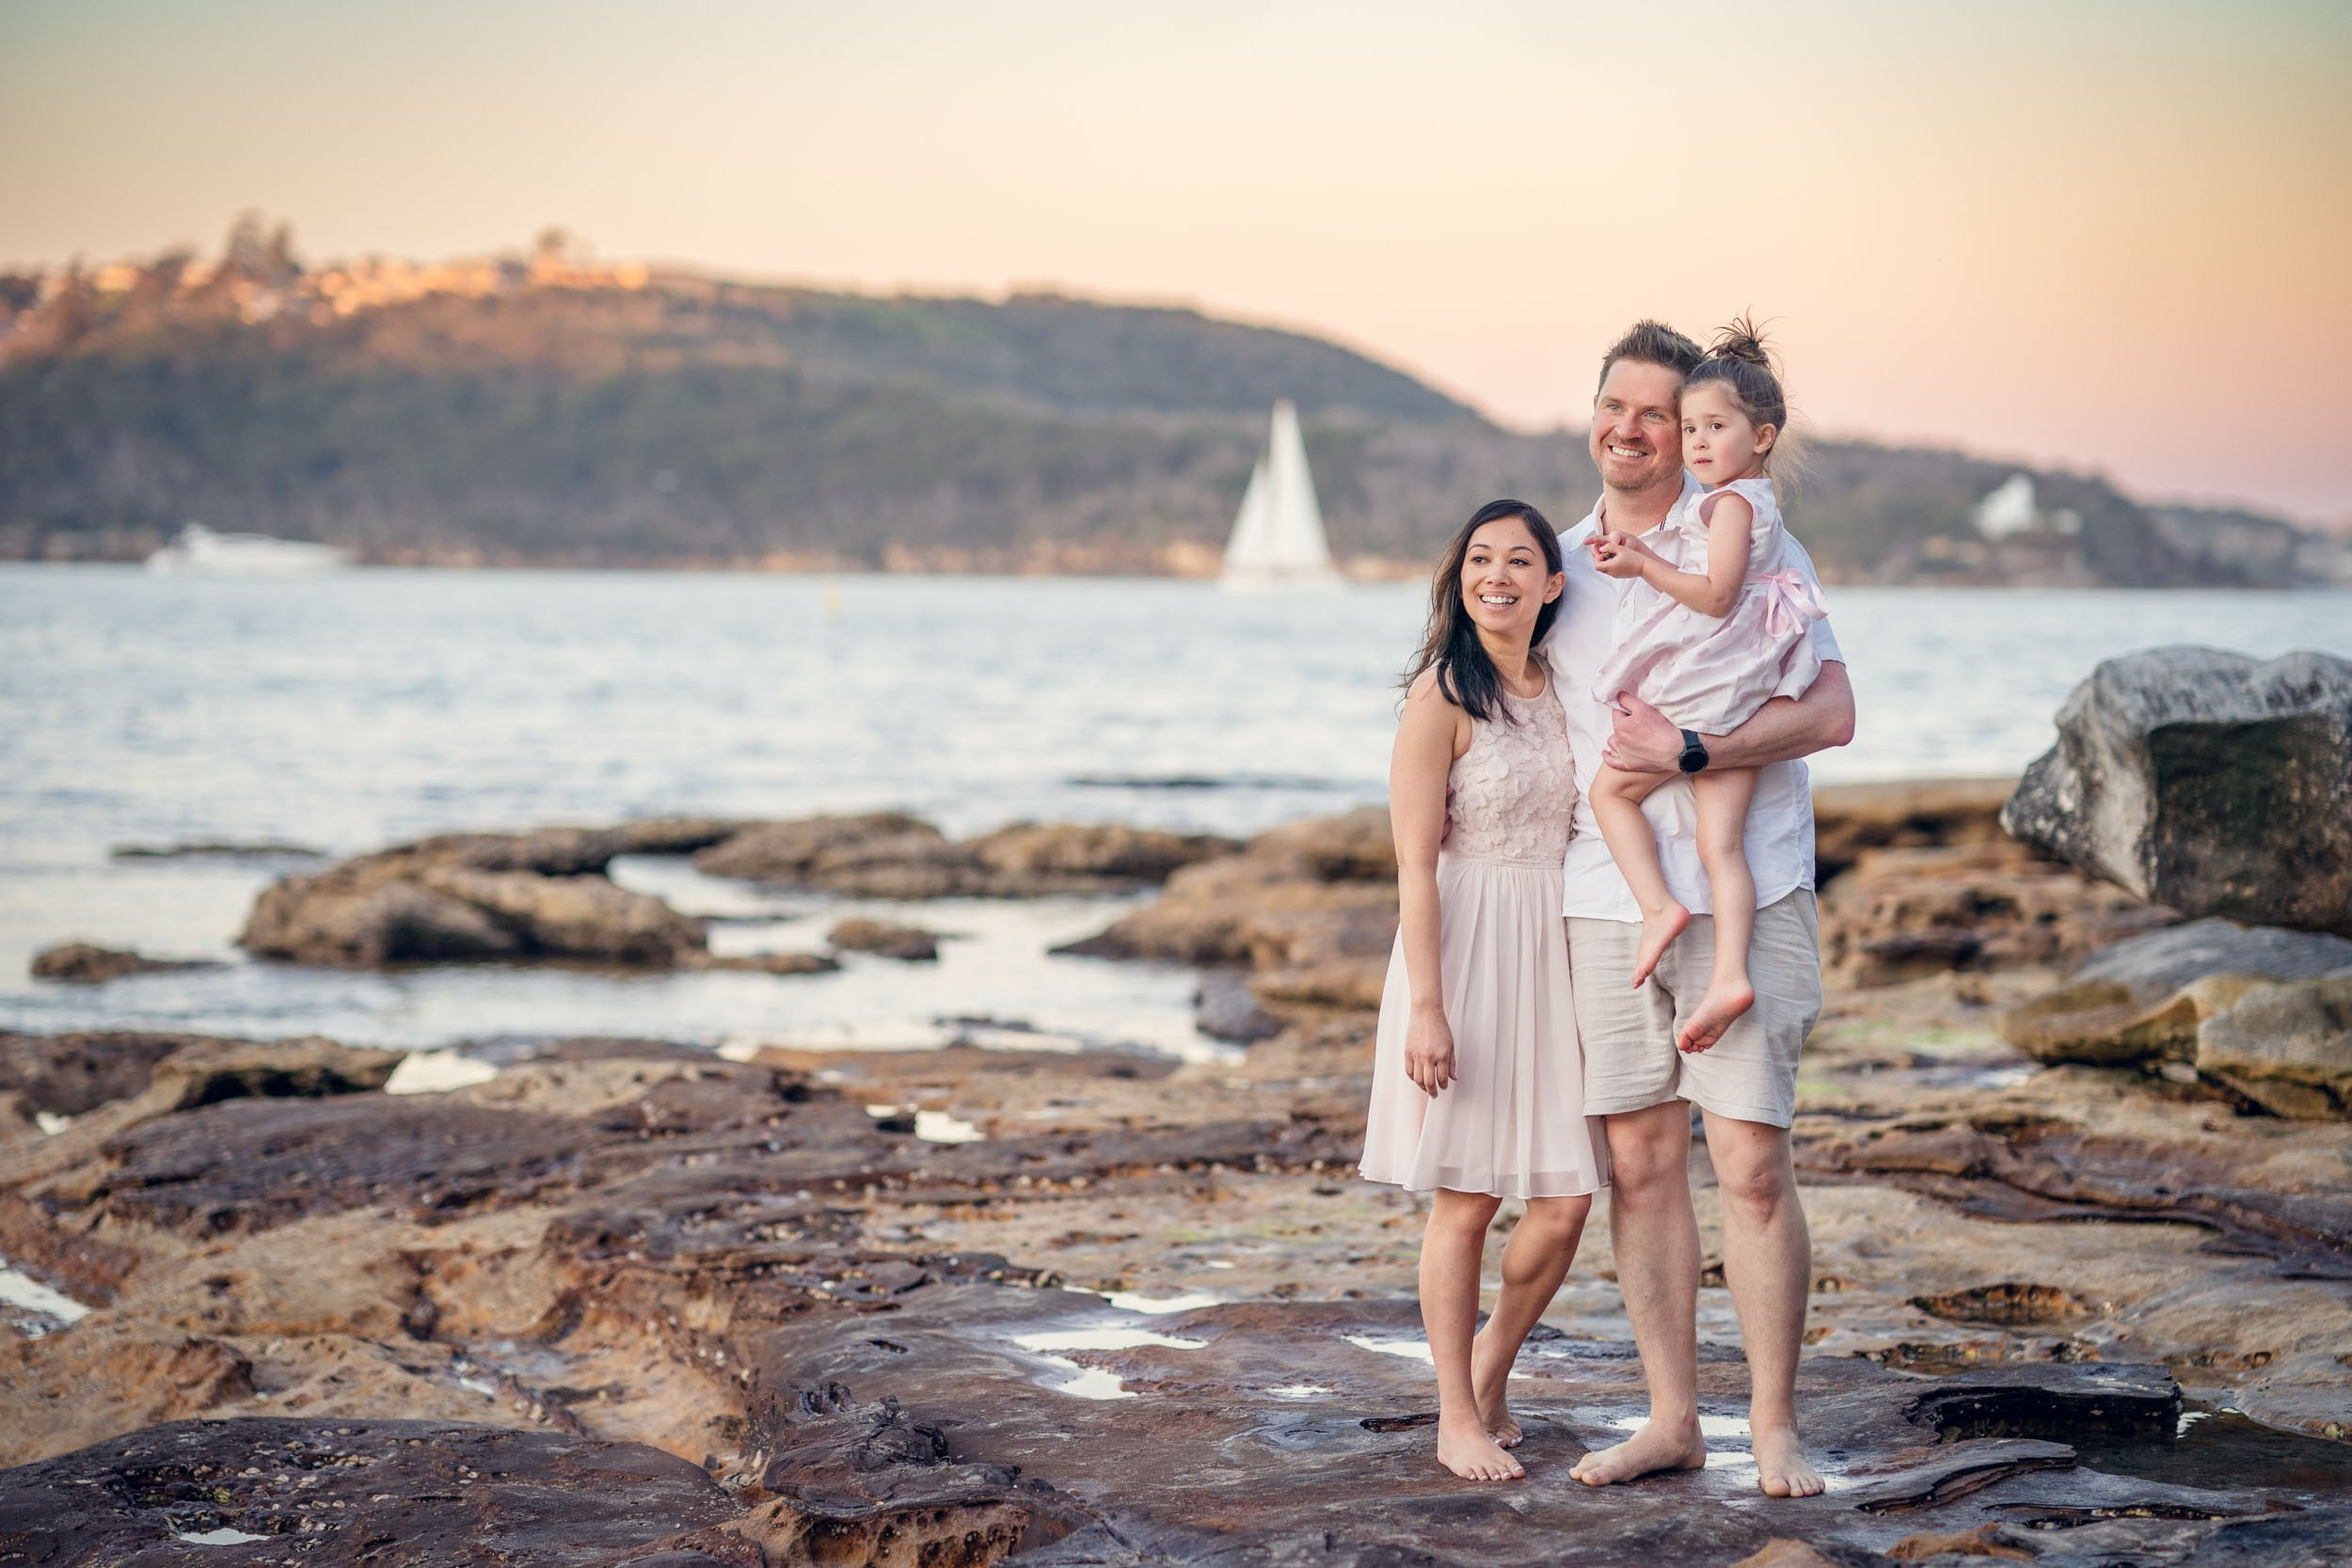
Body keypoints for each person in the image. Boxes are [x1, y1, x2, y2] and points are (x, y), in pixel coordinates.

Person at [1547, 322, 1854, 1498]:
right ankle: (1672, 1418)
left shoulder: (1757, 540)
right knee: (1636, 1163)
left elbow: (1830, 712)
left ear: (1702, 430)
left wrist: (1694, 748)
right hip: (1604, 899)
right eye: (1611, 405)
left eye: (1657, 413)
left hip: (1749, 887)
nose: (1630, 428)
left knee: (1752, 1163)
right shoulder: (1558, 559)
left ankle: (1771, 1425)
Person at [1359, 499, 1610, 1483]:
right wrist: (1428, 1003)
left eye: (1518, 560)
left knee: (1566, 1198)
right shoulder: (1441, 693)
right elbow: (1414, 864)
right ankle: (1453, 1416)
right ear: (1458, 578)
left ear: (1554, 583)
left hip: (1555, 945)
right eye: (1478, 558)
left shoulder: (1567, 689)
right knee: (1465, 1198)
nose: (1494, 574)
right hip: (1461, 946)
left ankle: (1490, 1367)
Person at [1585, 320, 1828, 1054]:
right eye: (1690, 425)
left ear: (1761, 435)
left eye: (1689, 422)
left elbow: (1719, 596)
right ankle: (1729, 971)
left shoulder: (1728, 510)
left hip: (1709, 695)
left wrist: (1642, 566)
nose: (1694, 441)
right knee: (1723, 846)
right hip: (1599, 898)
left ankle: (1660, 906)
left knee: (1612, 791)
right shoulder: (1752, 513)